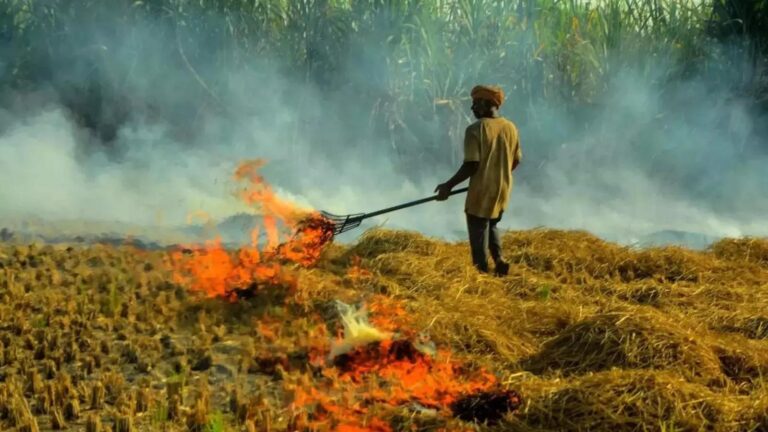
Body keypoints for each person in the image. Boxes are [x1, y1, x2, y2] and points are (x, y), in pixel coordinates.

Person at [434, 85, 522, 276]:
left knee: (478, 228)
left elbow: (471, 165)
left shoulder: (476, 129)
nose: (473, 108)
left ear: (488, 104)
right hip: (503, 190)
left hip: (481, 191)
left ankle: (481, 271)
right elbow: (515, 160)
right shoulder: (510, 128)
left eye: (476, 103)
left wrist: (447, 186)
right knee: (492, 223)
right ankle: (499, 259)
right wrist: (498, 173)